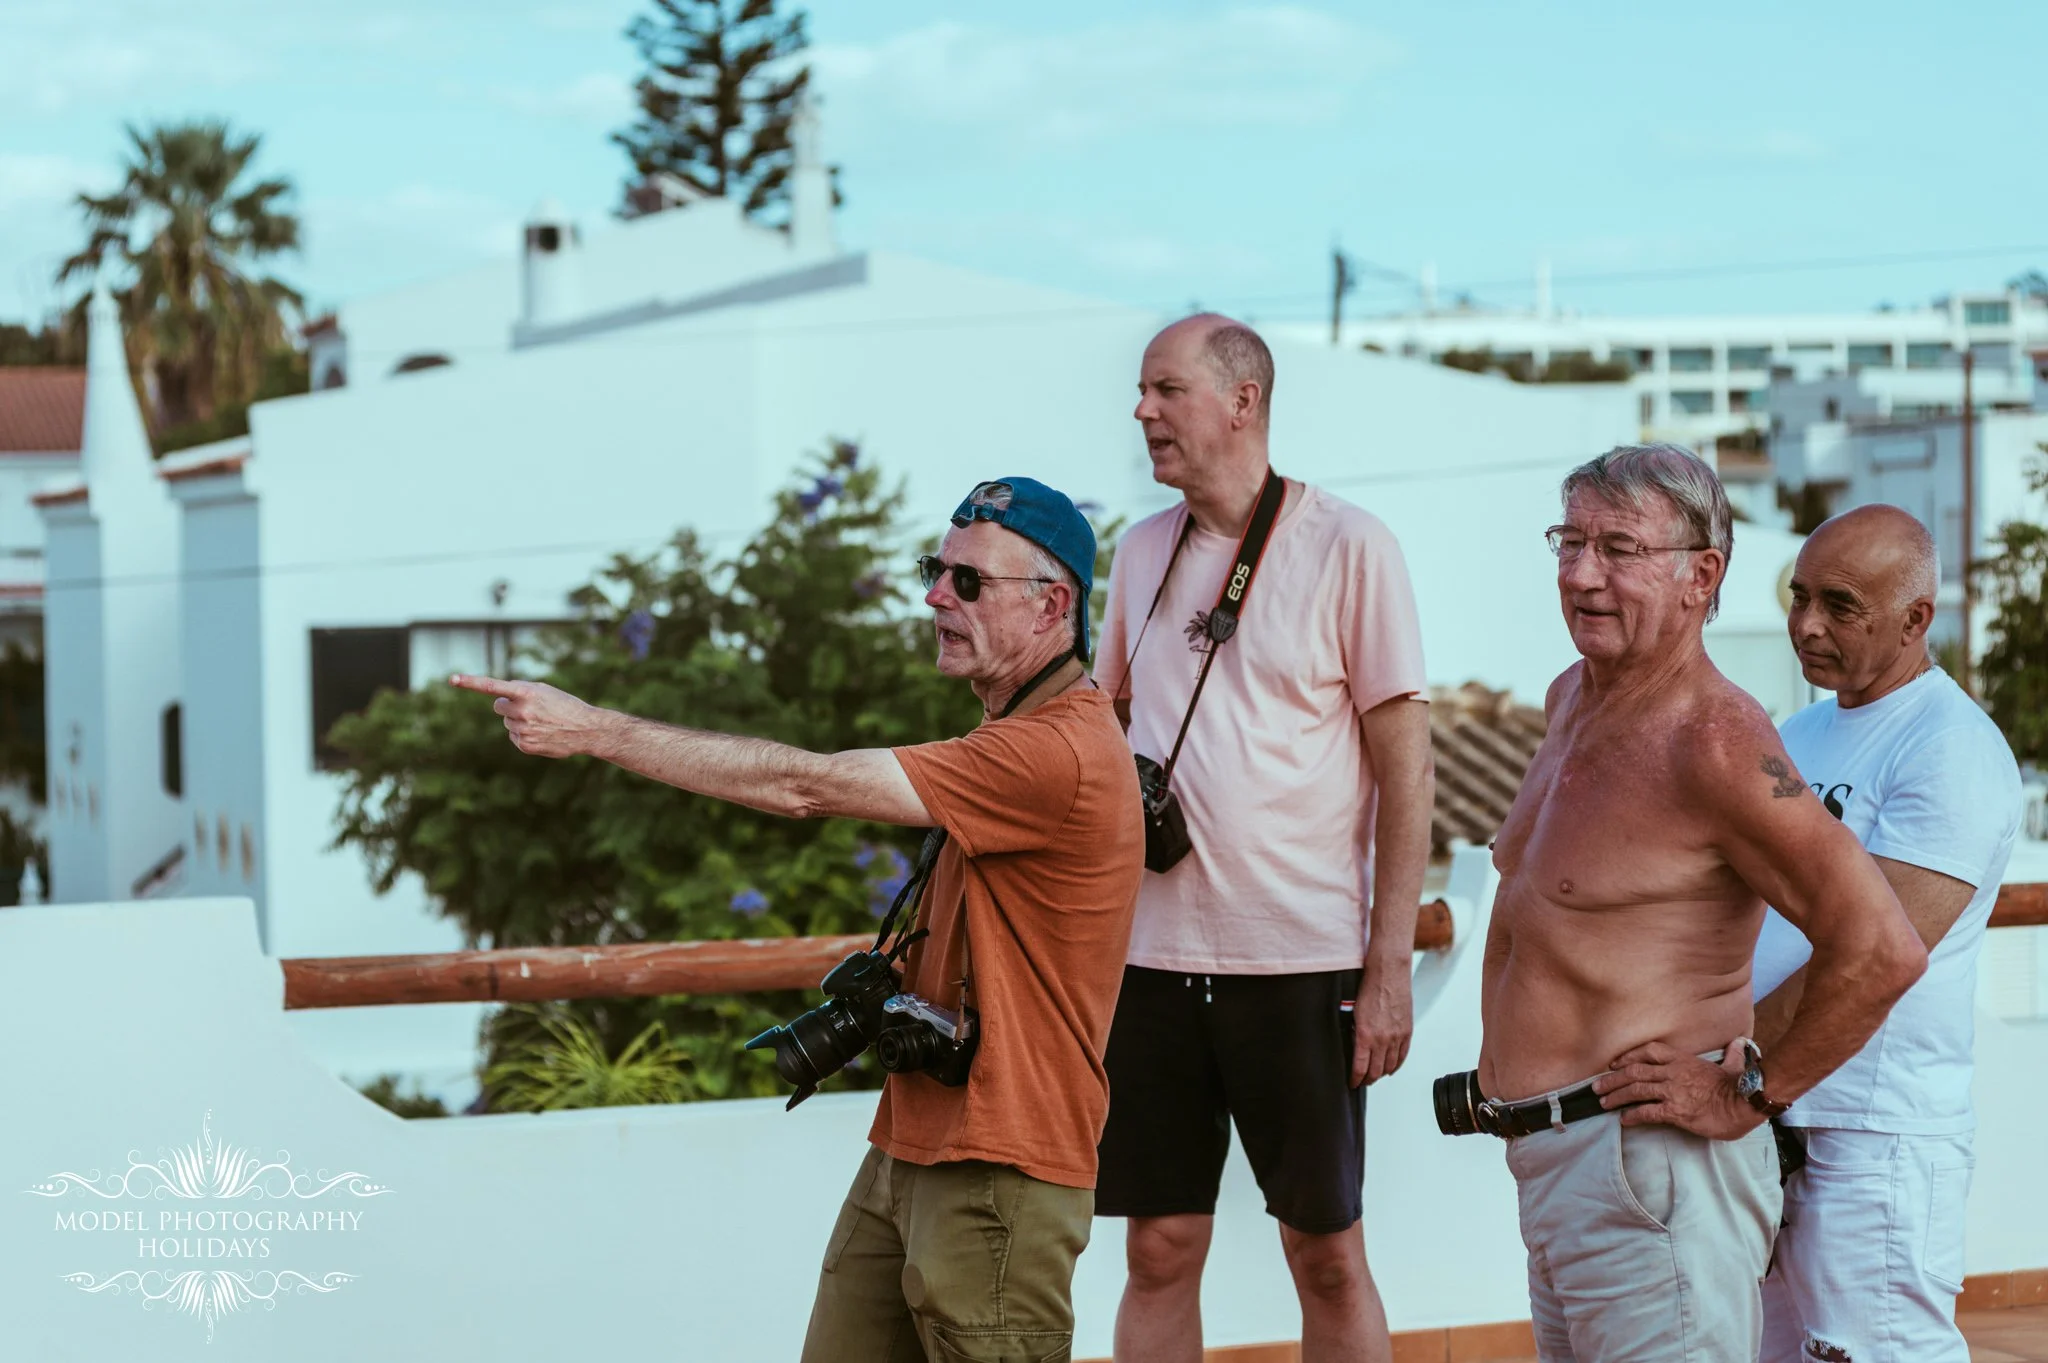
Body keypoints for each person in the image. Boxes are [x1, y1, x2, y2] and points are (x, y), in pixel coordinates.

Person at [453, 475, 1145, 1363]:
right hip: (917, 1141)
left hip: (999, 1169)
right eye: (936, 570)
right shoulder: (1008, 734)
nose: (936, 596)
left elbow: (803, 785)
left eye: (969, 581)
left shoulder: (1055, 750)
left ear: (1052, 606)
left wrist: (596, 730)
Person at [1480, 444, 1927, 1362]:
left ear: (1702, 574)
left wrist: (1749, 1092)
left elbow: (1883, 945)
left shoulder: (1716, 741)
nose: (1582, 573)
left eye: (1619, 548)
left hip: (1650, 1179)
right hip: (1559, 1168)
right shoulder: (1572, 698)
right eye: (1570, 541)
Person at [1094, 314, 1434, 1363]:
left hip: (1299, 960)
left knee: (1325, 1253)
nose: (1142, 411)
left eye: (1166, 390)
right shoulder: (1138, 550)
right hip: (1151, 960)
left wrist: (1386, 968)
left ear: (1242, 401)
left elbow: (1407, 771)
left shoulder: (1349, 544)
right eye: (1141, 391)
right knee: (1156, 1247)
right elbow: (1103, 732)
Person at [1753, 504, 2022, 1363]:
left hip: (1874, 1138)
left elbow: (1874, 956)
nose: (1807, 624)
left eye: (1839, 604)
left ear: (1915, 619)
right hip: (1775, 1122)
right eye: (1800, 596)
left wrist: (1733, 1071)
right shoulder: (1797, 735)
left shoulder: (1951, 749)